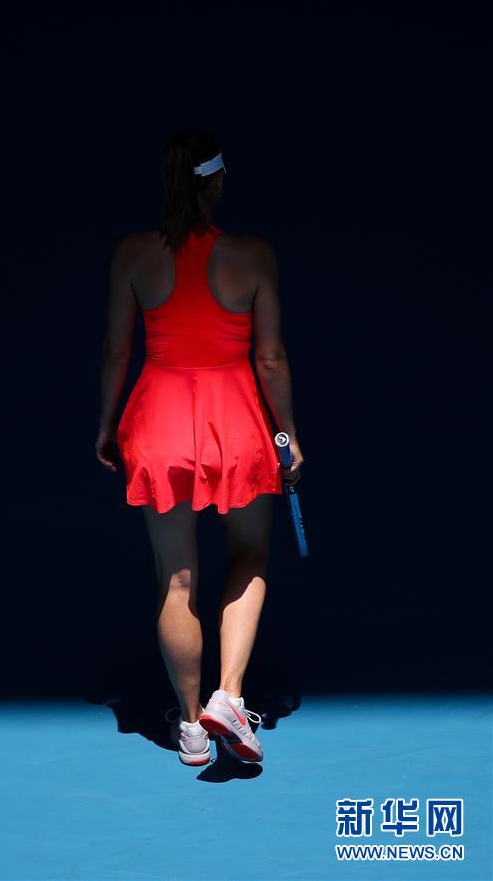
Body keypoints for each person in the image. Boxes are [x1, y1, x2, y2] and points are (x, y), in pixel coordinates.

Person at [96, 129, 304, 766]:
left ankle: (190, 727)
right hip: (236, 422)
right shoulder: (254, 254)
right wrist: (288, 433)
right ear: (217, 182)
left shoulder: (133, 253)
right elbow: (270, 358)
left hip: (157, 422)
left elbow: (117, 352)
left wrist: (106, 424)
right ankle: (229, 697)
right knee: (250, 552)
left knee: (175, 576)